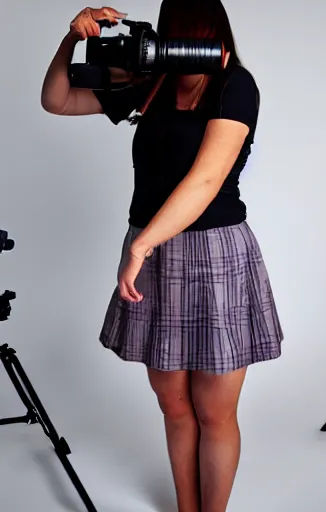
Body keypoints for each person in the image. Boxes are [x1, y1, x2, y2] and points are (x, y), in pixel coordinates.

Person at [40, 2, 284, 511]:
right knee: (174, 406)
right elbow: (57, 100)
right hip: (151, 255)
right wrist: (72, 38)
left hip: (213, 253)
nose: (181, 41)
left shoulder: (235, 85)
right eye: (174, 31)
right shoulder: (150, 83)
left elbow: (207, 179)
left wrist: (140, 244)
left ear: (214, 33)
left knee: (214, 412)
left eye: (190, 31)